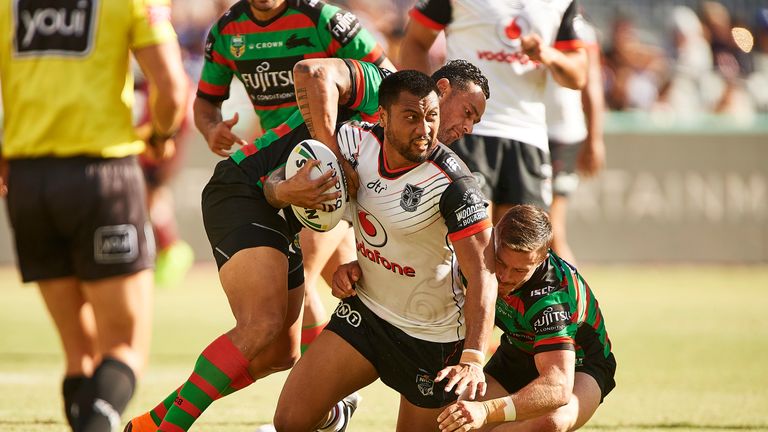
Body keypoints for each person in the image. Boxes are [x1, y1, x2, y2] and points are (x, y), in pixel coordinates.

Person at [272, 70, 497, 432]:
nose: (424, 129)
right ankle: (335, 418)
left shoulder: (454, 184)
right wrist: (285, 192)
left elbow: (484, 273)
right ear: (383, 117)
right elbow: (281, 171)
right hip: (368, 315)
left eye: (432, 118)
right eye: (412, 117)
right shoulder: (352, 142)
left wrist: (472, 358)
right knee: (289, 421)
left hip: (433, 340)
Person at [0, 0, 187, 430]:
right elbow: (173, 89)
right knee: (123, 346)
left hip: (28, 179)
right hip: (101, 177)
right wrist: (160, 135)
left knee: (78, 352)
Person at [192, 0, 395, 357]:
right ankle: (334, 397)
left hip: (326, 169)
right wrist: (211, 130)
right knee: (350, 287)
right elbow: (205, 103)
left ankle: (324, 405)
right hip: (277, 169)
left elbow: (392, 83)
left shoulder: (327, 20)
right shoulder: (228, 29)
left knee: (302, 285)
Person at [400, 0, 588, 221]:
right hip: (467, 132)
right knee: (472, 236)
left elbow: (579, 76)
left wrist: (547, 54)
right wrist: (425, 105)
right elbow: (415, 41)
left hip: (528, 135)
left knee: (523, 248)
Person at [436, 205, 616, 432]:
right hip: (518, 351)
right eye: (500, 262)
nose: (504, 277)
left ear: (541, 259)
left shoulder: (552, 298)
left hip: (581, 362)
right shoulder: (476, 259)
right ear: (494, 240)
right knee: (452, 417)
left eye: (520, 270)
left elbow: (557, 387)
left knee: (551, 422)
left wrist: (486, 411)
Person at [544, 17, 605, 265]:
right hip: (528, 129)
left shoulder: (579, 28)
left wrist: (595, 139)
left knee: (551, 229)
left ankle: (576, 302)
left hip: (560, 133)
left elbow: (591, 84)